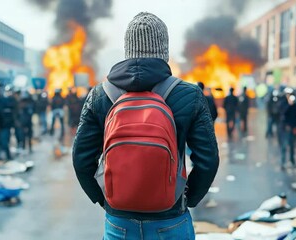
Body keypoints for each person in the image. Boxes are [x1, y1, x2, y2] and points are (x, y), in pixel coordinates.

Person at [72, 12, 219, 239]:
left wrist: (104, 199)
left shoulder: (100, 94)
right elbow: (208, 159)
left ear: (128, 50)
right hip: (170, 217)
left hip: (119, 219)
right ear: (164, 50)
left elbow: (81, 158)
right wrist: (187, 198)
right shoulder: (189, 94)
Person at [279, 87, 296, 169]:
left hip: (292, 127)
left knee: (292, 146)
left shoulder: (295, 104)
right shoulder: (283, 103)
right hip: (285, 128)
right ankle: (283, 162)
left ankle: (292, 161)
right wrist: (288, 105)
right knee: (284, 146)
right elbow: (282, 113)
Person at [0, 85, 18, 160]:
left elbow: (15, 113)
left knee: (5, 141)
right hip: (1, 125)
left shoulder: (13, 101)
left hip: (7, 125)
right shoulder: (1, 100)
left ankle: (8, 156)